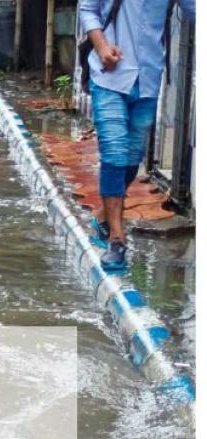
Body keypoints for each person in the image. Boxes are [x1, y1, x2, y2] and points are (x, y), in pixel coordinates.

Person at [79, 0, 195, 270]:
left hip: (148, 78)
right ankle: (117, 240)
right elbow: (87, 9)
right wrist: (102, 46)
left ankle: (103, 216)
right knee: (114, 152)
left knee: (132, 158)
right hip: (109, 76)